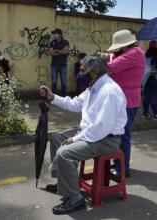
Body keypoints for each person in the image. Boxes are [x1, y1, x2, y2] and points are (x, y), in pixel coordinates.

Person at [40, 55, 127, 215]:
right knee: (56, 139)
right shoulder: (93, 87)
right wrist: (53, 97)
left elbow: (102, 127)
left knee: (64, 153)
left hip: (106, 140)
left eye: (82, 70)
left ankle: (75, 198)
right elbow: (76, 104)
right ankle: (63, 184)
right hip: (92, 133)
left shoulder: (109, 92)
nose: (79, 74)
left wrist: (75, 139)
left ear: (94, 72)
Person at [104, 29, 146, 177]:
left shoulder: (134, 54)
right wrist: (109, 55)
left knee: (121, 135)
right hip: (123, 100)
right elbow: (114, 59)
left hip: (126, 101)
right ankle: (118, 163)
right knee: (117, 134)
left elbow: (109, 67)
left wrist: (105, 58)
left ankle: (122, 169)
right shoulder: (133, 52)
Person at [142, 40, 157, 120]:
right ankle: (156, 115)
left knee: (146, 96)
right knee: (154, 97)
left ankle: (145, 112)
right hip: (156, 79)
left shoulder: (145, 56)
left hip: (146, 79)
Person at [47, 28, 69, 97]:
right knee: (54, 81)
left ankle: (63, 96)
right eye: (54, 34)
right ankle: (53, 97)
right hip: (54, 65)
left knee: (64, 81)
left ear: (60, 34)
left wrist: (56, 50)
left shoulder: (65, 42)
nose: (54, 35)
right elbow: (51, 53)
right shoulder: (52, 42)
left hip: (63, 65)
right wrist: (61, 52)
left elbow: (66, 51)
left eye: (55, 33)